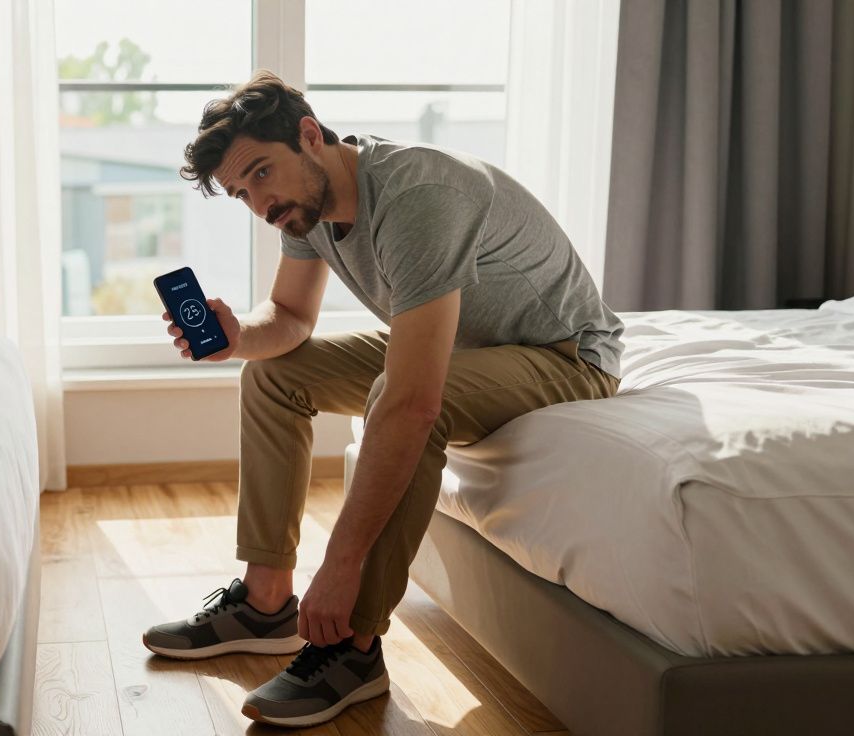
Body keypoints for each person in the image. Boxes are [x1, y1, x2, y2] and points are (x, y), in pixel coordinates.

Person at [142, 70, 625, 728]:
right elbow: (288, 315)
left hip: (566, 355)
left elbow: (413, 404)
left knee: (400, 395)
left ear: (309, 136)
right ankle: (264, 603)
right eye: (240, 192)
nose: (258, 203)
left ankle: (352, 648)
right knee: (271, 373)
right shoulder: (304, 205)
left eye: (260, 174)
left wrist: (341, 563)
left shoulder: (416, 198)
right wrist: (237, 337)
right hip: (468, 345)